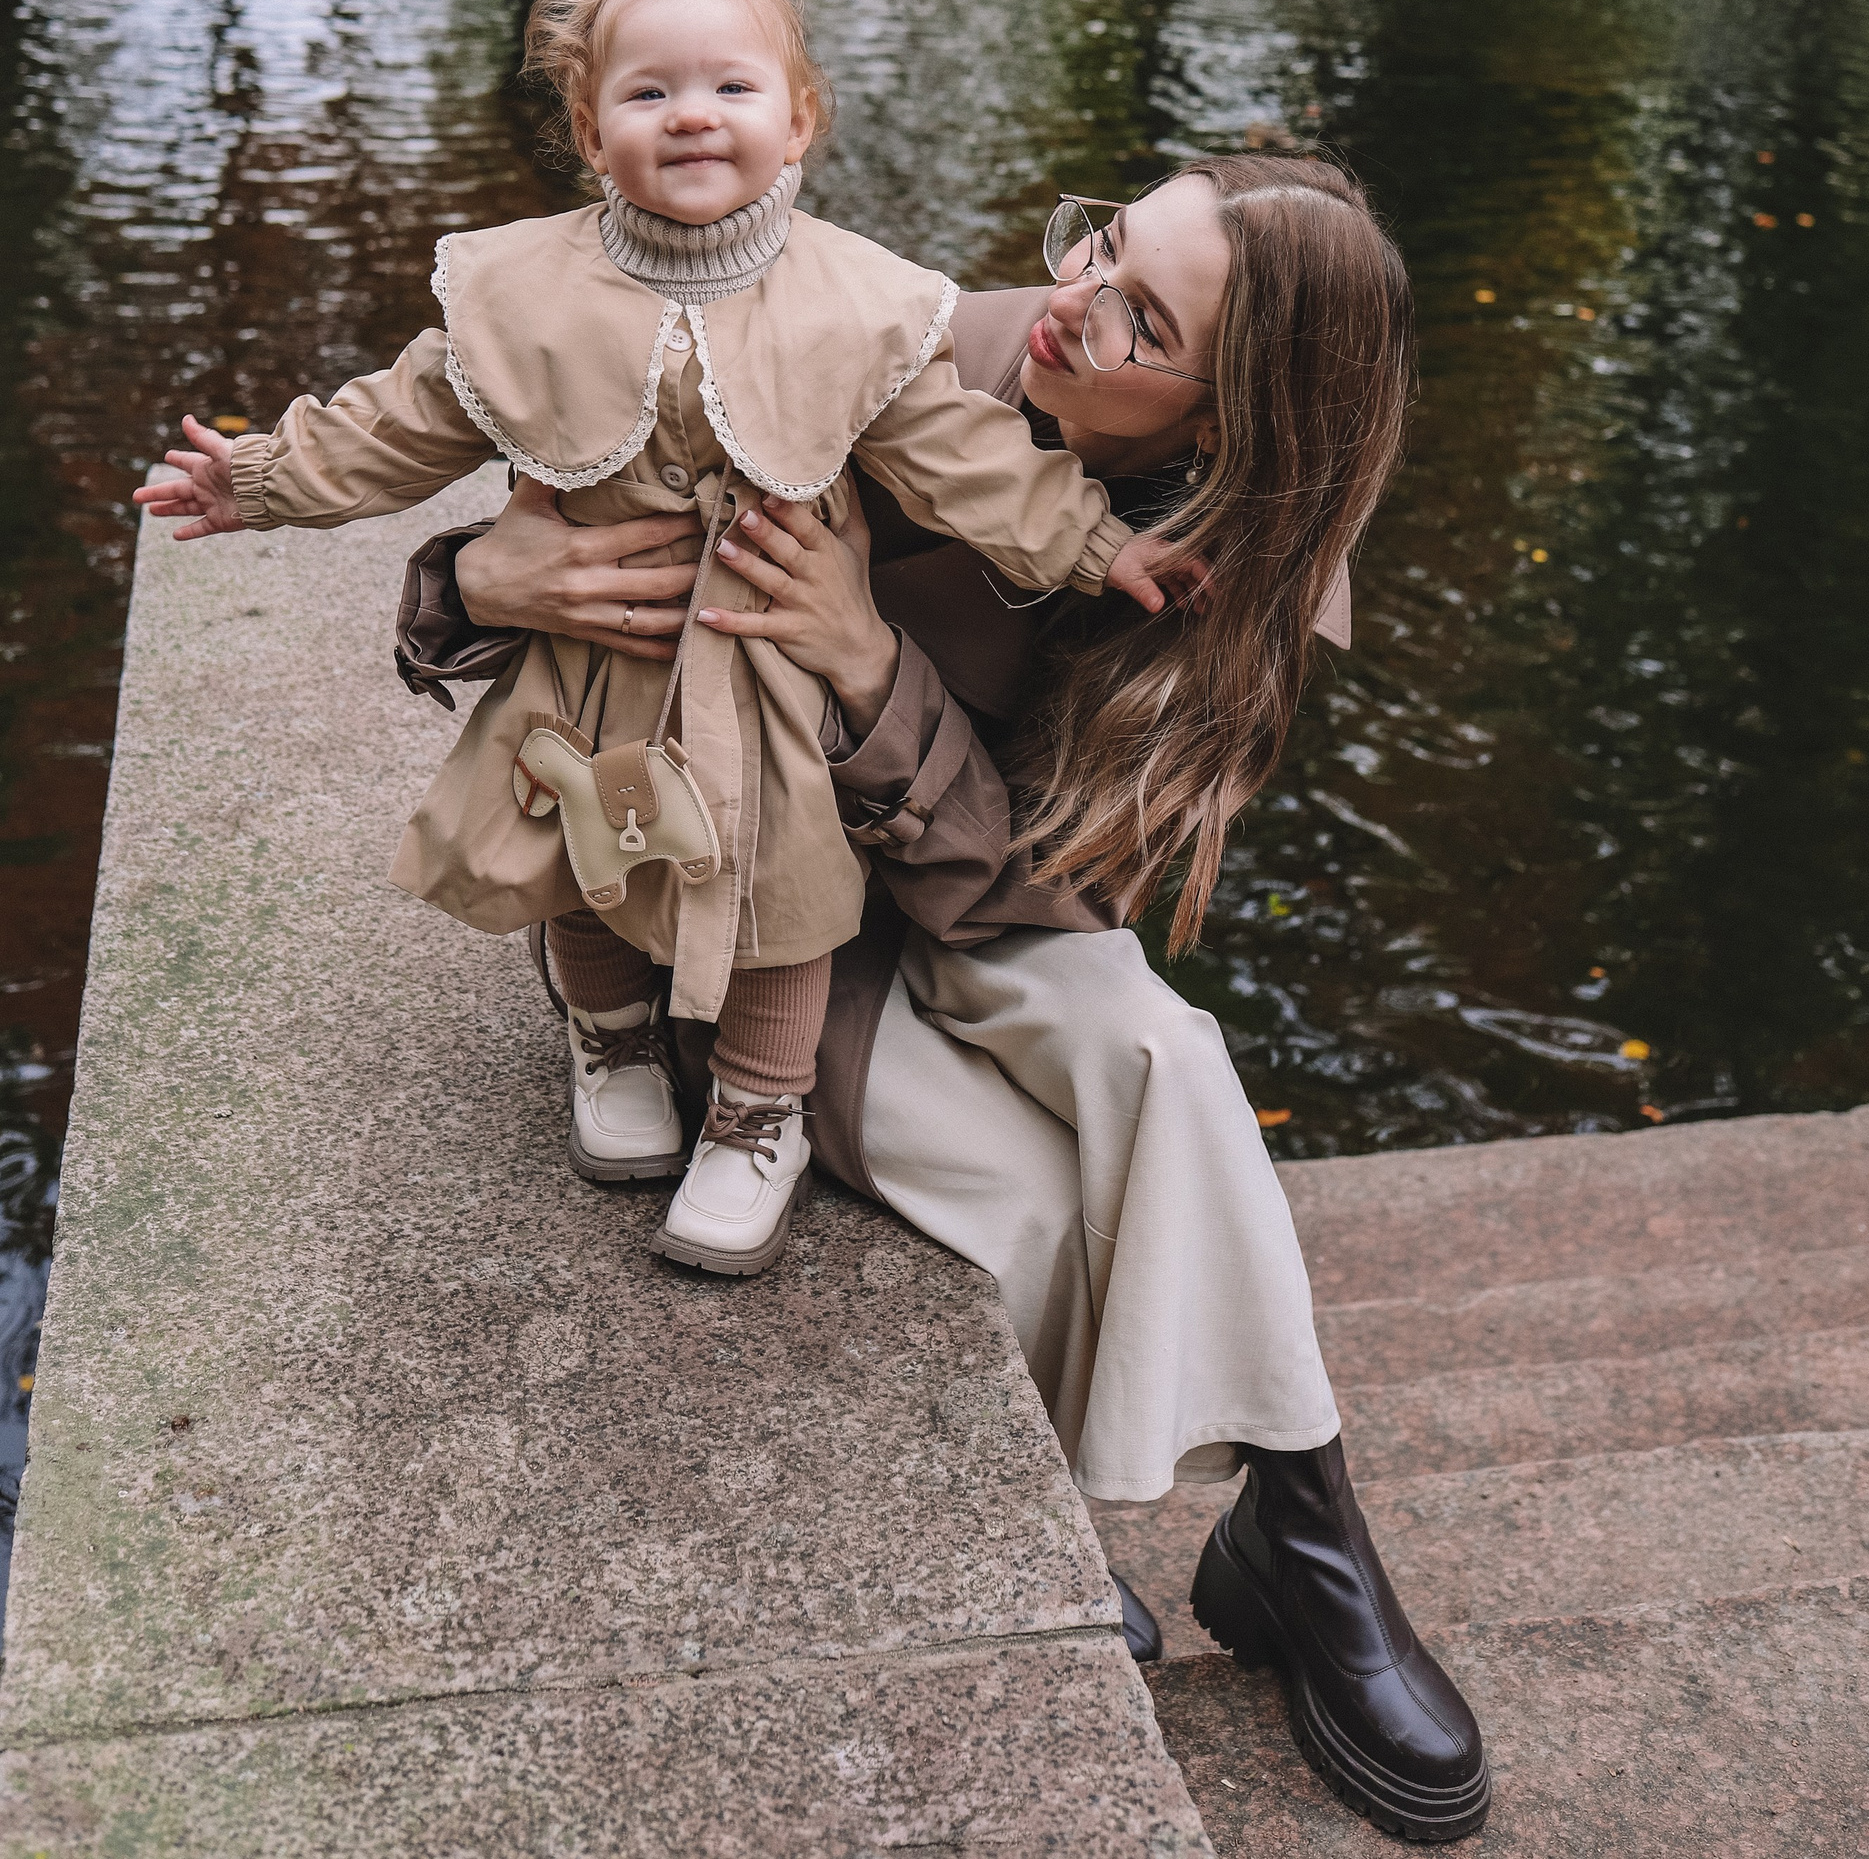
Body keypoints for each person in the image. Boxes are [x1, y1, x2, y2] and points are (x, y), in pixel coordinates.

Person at [415, 153, 1494, 1843]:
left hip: (981, 900)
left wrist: (867, 665)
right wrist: (473, 582)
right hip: (749, 930)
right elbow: (548, 574)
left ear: (1229, 423)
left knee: (1154, 1042)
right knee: (1035, 1202)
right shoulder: (871, 344)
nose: (1073, 299)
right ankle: (1207, 1536)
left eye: (1143, 319)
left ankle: (1307, 1523)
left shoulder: (1238, 584)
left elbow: (1044, 895)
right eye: (1105, 240)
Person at [134, 0, 1179, 1281]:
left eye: (733, 85)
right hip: (593, 664)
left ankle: (760, 1112)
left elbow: (968, 459)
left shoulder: (854, 304)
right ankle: (611, 1038)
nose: (693, 114)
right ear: (590, 127)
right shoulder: (526, 292)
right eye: (649, 91)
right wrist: (264, 479)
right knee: (582, 860)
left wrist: (1100, 547)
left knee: (785, 893)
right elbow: (399, 420)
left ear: (798, 120)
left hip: (761, 671)